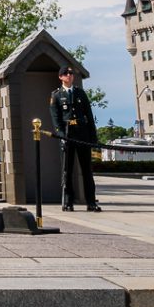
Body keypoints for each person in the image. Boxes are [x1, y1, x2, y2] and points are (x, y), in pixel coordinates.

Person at [49, 66, 101, 212]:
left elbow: (89, 115)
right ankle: (68, 202)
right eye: (66, 74)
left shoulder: (80, 93)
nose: (69, 76)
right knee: (67, 170)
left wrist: (93, 136)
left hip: (82, 133)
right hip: (67, 134)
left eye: (71, 73)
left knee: (87, 170)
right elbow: (56, 119)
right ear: (61, 77)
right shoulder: (56, 95)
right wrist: (61, 135)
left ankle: (91, 202)